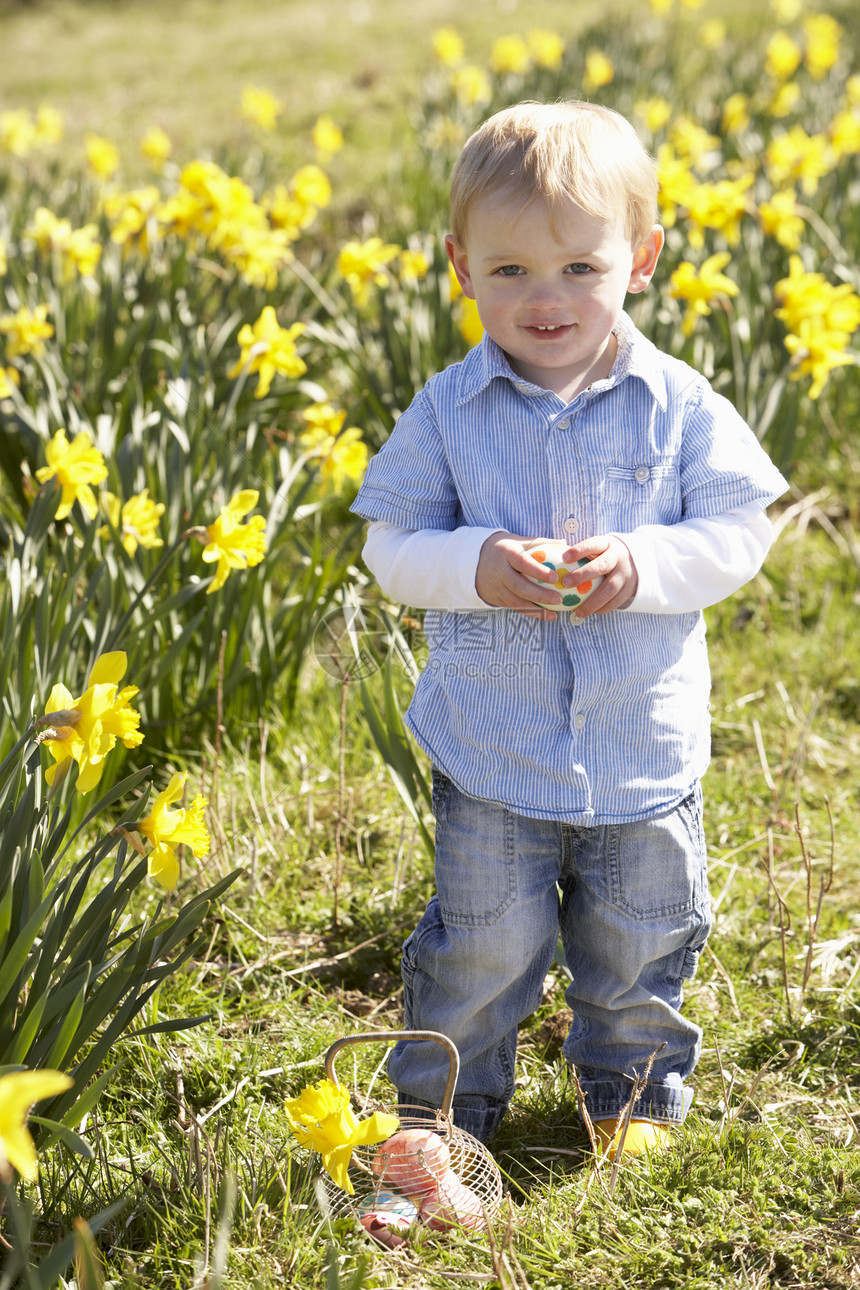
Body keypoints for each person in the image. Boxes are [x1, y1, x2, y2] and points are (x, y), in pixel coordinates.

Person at [350, 100, 788, 1158]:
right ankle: (444, 1114)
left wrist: (643, 565)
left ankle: (630, 1097)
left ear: (639, 260)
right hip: (493, 748)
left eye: (578, 270)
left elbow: (739, 533)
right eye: (509, 272)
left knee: (639, 942)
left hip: (640, 751)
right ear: (460, 267)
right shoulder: (446, 410)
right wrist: (473, 567)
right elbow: (389, 543)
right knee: (481, 947)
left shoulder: (679, 405)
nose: (544, 300)